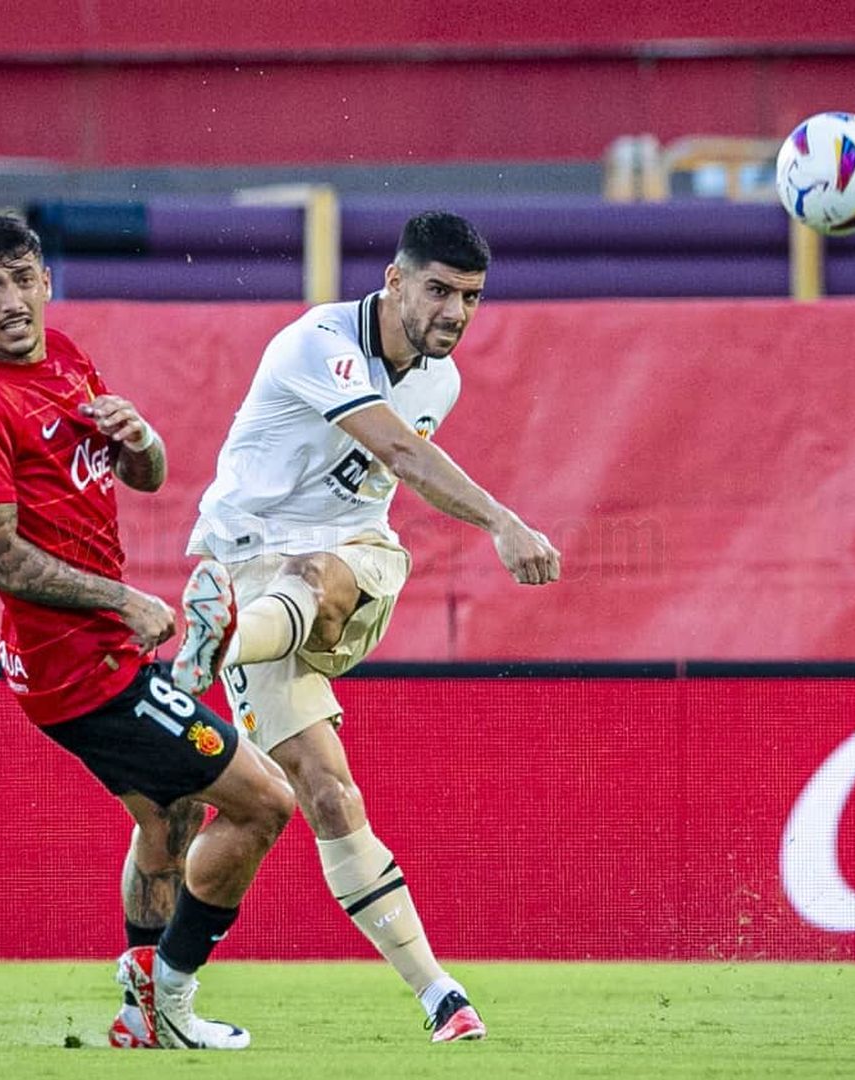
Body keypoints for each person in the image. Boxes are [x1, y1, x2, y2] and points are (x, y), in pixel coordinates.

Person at [170, 210, 562, 1043]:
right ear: (393, 281)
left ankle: (212, 649)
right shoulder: (317, 342)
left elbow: (397, 470)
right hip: (245, 562)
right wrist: (502, 522)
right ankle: (439, 996)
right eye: (439, 291)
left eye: (472, 298)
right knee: (324, 793)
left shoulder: (440, 382)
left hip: (355, 559)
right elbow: (406, 455)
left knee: (323, 573)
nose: (455, 313)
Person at [0, 214, 293, 1051]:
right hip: (81, 672)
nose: (12, 301)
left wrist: (144, 442)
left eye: (23, 280)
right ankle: (169, 999)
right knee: (266, 804)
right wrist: (121, 602)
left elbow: (144, 477)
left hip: (97, 657)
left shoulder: (66, 362)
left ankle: (141, 1010)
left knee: (169, 820)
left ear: (46, 282)